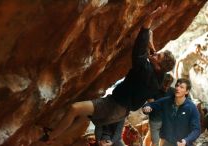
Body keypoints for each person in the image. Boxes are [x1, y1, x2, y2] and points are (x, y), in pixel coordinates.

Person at [40, 4, 176, 144]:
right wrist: (153, 48)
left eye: (158, 56)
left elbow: (140, 49)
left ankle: (50, 136)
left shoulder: (144, 70)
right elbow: (153, 59)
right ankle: (58, 135)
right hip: (121, 113)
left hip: (113, 105)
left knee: (74, 108)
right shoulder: (158, 79)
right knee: (85, 116)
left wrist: (150, 19)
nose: (156, 54)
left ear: (158, 66)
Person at [142, 78, 201, 146]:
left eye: (181, 87)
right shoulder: (166, 101)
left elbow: (196, 130)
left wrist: (186, 140)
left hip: (183, 143)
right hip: (167, 142)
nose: (177, 88)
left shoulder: (191, 108)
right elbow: (150, 105)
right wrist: (146, 108)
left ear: (187, 91)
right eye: (177, 86)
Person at [144, 73, 174, 146]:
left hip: (166, 120)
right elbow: (152, 106)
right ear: (161, 82)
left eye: (168, 85)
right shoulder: (154, 90)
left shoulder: (172, 91)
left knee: (162, 139)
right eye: (164, 85)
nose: (166, 88)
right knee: (155, 142)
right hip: (155, 120)